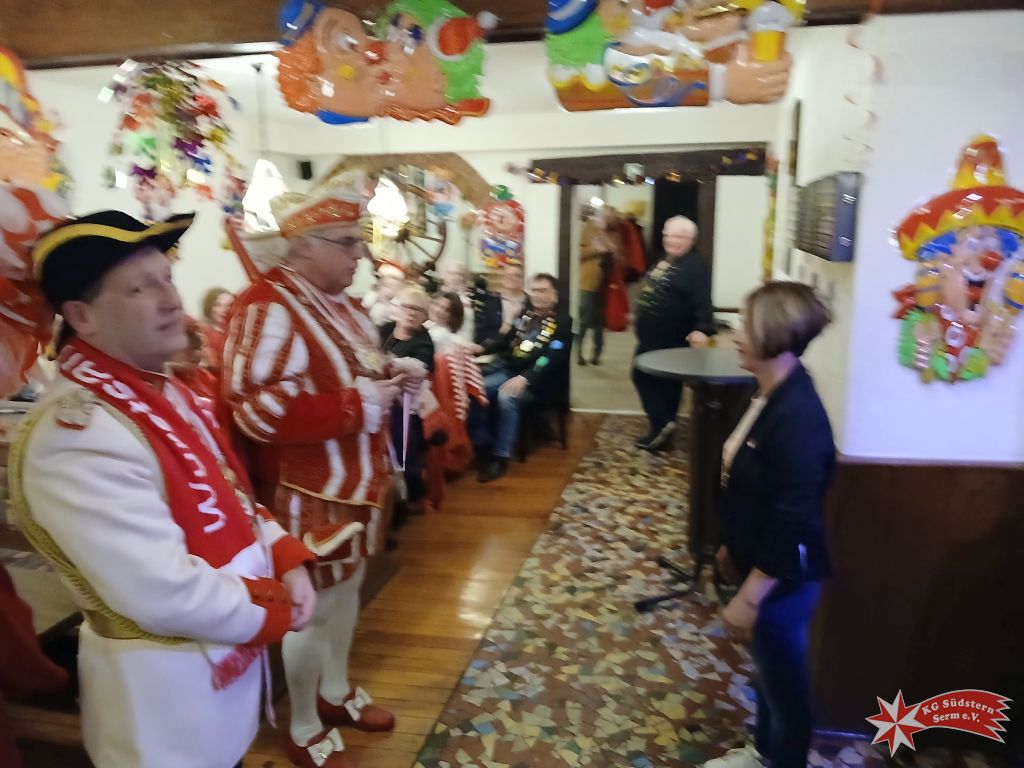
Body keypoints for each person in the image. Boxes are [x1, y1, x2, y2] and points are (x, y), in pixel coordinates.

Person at [8, 209, 316, 768]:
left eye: (167, 278)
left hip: (220, 669)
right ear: (81, 315)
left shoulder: (159, 390)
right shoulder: (78, 434)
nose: (172, 299)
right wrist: (273, 604)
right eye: (140, 287)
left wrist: (284, 556)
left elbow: (230, 494)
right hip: (168, 711)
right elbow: (161, 591)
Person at [224, 183, 420, 768]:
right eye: (346, 242)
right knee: (311, 609)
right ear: (302, 245)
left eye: (360, 240)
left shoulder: (342, 305)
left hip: (357, 483)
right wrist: (359, 404)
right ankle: (304, 722)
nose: (361, 254)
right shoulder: (268, 306)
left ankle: (334, 691)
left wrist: (392, 372)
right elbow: (255, 409)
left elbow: (348, 371)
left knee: (346, 593)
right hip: (308, 492)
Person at [706, 281, 834, 768]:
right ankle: (762, 753)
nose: (736, 334)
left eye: (747, 325)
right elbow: (747, 486)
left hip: (783, 578)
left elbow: (793, 520)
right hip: (758, 558)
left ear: (778, 335)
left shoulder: (799, 417)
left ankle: (782, 760)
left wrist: (749, 597)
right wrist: (730, 546)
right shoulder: (767, 392)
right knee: (767, 671)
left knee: (785, 687)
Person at [473, 273, 572, 483]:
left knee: (505, 396)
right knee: (478, 389)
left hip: (541, 382)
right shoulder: (524, 316)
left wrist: (526, 378)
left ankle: (500, 456)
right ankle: (483, 444)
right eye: (534, 290)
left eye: (543, 290)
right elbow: (506, 339)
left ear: (554, 295)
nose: (538, 295)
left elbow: (551, 358)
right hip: (511, 371)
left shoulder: (563, 323)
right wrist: (482, 348)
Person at [632, 215, 714, 452]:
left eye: (677, 236)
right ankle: (662, 429)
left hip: (670, 336)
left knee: (647, 377)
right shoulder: (669, 260)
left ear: (690, 239)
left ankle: (662, 424)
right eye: (666, 235)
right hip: (651, 336)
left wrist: (702, 328)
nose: (669, 240)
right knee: (656, 381)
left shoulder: (695, 266)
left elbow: (703, 301)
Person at [380, 285, 435, 514]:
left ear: (425, 317)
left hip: (407, 403)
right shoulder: (384, 329)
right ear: (398, 308)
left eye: (417, 310)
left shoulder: (424, 342)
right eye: (407, 307)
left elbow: (416, 372)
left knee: (402, 438)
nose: (411, 313)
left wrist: (382, 365)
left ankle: (412, 494)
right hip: (378, 394)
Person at [577, 208, 616, 366]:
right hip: (588, 283)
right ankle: (579, 353)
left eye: (610, 218)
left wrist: (613, 249)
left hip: (606, 284)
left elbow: (621, 257)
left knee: (601, 322)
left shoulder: (612, 234)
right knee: (584, 320)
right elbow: (578, 253)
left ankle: (597, 354)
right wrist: (596, 249)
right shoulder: (587, 229)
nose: (608, 221)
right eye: (606, 217)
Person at [473, 261, 528, 352]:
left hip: (524, 351)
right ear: (502, 278)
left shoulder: (530, 302)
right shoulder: (490, 302)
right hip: (494, 351)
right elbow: (480, 334)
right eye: (508, 275)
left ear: (523, 279)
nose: (513, 278)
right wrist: (501, 333)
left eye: (517, 275)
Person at [200, 285, 234, 373]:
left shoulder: (237, 333)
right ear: (210, 306)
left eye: (229, 305)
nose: (224, 310)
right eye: (218, 305)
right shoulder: (202, 334)